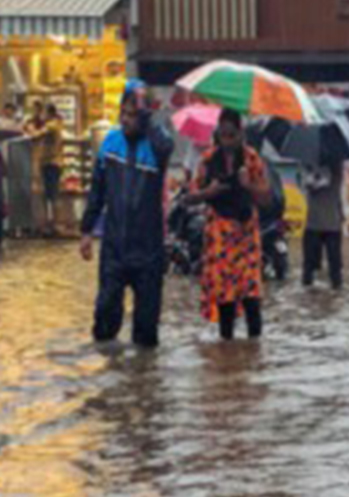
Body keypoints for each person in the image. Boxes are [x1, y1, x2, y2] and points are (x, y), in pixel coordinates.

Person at [80, 85, 173, 347]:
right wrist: (86, 231)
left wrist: (148, 117)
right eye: (123, 113)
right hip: (114, 248)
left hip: (148, 251)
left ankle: (141, 384)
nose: (125, 119)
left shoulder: (156, 146)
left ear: (143, 116)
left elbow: (166, 147)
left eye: (132, 114)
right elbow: (97, 190)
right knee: (105, 324)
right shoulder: (110, 144)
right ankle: (115, 384)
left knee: (146, 334)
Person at [191, 108, 272, 339]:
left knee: (252, 300)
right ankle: (228, 358)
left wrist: (249, 185)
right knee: (225, 303)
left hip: (246, 236)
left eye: (232, 135)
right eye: (223, 135)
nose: (227, 141)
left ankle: (252, 354)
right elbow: (190, 196)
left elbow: (266, 197)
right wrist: (210, 191)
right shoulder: (207, 160)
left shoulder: (251, 159)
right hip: (219, 236)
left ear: (240, 133)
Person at [301, 157, 345, 289]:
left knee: (334, 269)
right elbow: (308, 184)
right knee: (310, 268)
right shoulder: (307, 165)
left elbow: (322, 183)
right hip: (316, 224)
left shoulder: (335, 168)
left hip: (329, 224)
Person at [32, 102, 66, 236]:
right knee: (47, 195)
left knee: (53, 195)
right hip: (48, 163)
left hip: (52, 163)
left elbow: (37, 135)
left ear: (50, 113)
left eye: (44, 112)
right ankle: (49, 224)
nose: (42, 115)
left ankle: (57, 224)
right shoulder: (52, 124)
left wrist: (30, 131)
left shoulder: (52, 125)